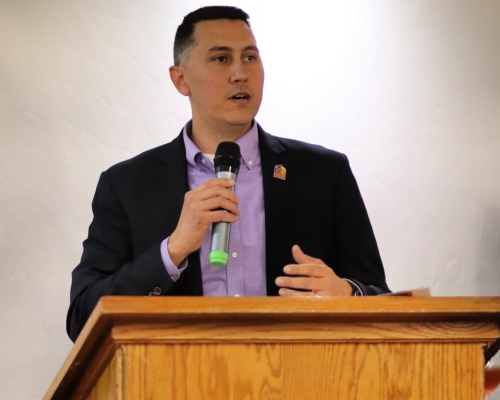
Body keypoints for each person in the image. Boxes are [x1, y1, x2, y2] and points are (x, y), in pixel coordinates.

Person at [67, 6, 390, 342]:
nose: (240, 73)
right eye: (221, 59)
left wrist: (346, 293)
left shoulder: (325, 174)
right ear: (181, 79)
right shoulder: (128, 186)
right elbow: (82, 318)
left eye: (250, 57)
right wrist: (173, 249)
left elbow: (381, 297)